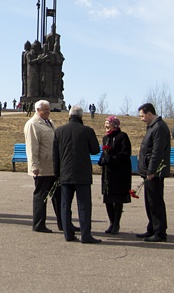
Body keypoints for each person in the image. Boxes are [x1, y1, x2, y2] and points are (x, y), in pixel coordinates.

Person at [53, 105, 101, 243]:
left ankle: (68, 234)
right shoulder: (87, 131)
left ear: (69, 115)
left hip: (65, 173)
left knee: (65, 205)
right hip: (82, 173)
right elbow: (95, 150)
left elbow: (55, 155)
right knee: (84, 205)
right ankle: (86, 235)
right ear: (81, 116)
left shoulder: (59, 131)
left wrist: (57, 173)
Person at [24, 99, 63, 233]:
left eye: (49, 109)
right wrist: (34, 165)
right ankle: (39, 224)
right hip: (42, 167)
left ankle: (63, 223)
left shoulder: (50, 123)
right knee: (41, 196)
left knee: (59, 195)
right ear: (38, 110)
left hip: (53, 166)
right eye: (45, 109)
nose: (48, 111)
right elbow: (31, 147)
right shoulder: (33, 124)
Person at [136, 102, 170, 242]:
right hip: (148, 171)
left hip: (154, 172)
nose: (141, 119)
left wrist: (151, 170)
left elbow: (157, 152)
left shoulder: (159, 128)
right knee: (150, 202)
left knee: (155, 202)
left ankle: (160, 232)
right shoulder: (152, 127)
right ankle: (152, 228)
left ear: (149, 114)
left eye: (142, 116)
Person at [99, 116, 131, 235]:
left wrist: (112, 158)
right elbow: (104, 153)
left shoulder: (122, 136)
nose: (106, 125)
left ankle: (116, 223)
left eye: (108, 123)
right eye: (105, 123)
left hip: (119, 173)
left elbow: (125, 153)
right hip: (108, 174)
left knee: (117, 199)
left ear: (114, 124)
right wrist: (102, 160)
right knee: (108, 199)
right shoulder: (105, 138)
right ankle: (112, 222)